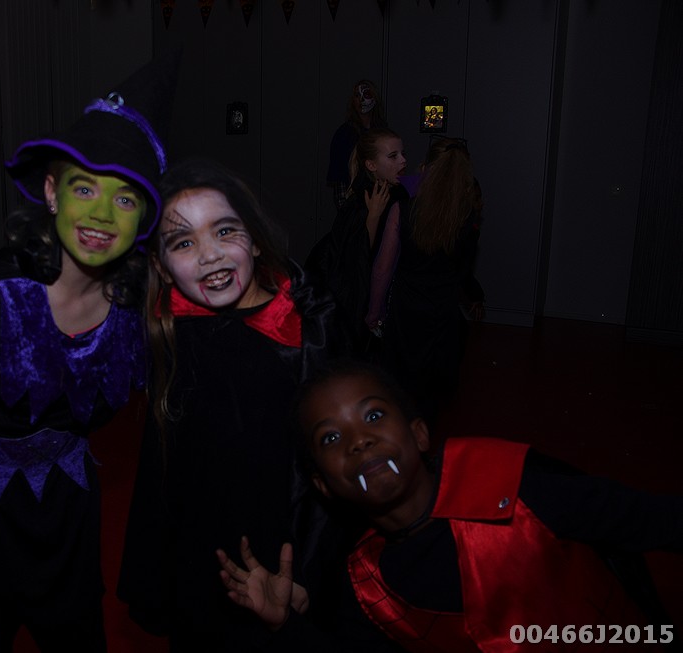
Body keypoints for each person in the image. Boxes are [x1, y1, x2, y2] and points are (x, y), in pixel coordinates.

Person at [0, 50, 180, 653]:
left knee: (78, 630)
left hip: (71, 499)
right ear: (52, 192)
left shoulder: (134, 307)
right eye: (85, 188)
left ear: (143, 220)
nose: (100, 214)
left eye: (125, 199)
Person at [217, 361, 683, 652]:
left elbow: (651, 520)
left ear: (419, 435)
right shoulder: (365, 586)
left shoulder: (515, 489)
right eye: (331, 438)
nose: (359, 441)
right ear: (323, 485)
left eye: (374, 415)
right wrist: (286, 625)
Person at [117, 158, 345, 652]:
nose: (209, 255)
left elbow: (331, 472)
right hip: (202, 558)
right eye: (183, 242)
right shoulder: (175, 333)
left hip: (282, 552)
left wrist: (307, 571)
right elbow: (164, 470)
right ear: (161, 266)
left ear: (256, 240)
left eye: (224, 231)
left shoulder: (308, 335)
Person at [369, 136, 484, 421]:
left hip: (405, 311)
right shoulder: (467, 216)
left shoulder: (404, 209)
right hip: (443, 314)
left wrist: (374, 311)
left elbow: (383, 268)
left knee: (399, 391)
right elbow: (463, 269)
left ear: (427, 166)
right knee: (430, 398)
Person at [307, 128, 407, 356]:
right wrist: (373, 216)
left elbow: (429, 185)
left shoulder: (395, 190)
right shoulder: (362, 200)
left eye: (403, 153)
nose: (403, 160)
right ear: (371, 165)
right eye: (393, 156)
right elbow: (356, 261)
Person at [326, 80, 387, 211]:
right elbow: (339, 174)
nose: (361, 100)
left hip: (379, 194)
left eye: (366, 94)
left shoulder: (383, 132)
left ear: (375, 98)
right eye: (357, 95)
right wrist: (345, 207)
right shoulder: (344, 133)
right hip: (352, 196)